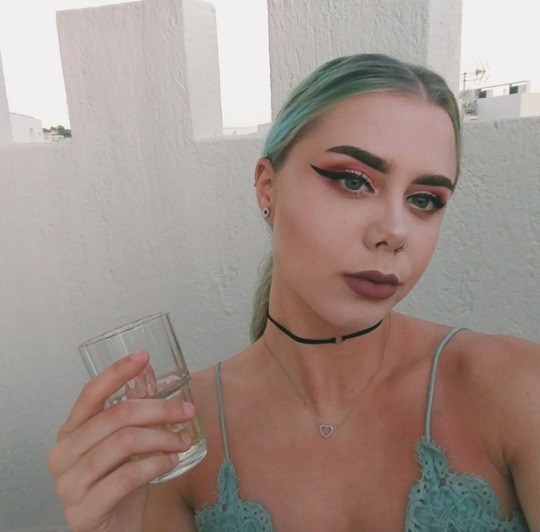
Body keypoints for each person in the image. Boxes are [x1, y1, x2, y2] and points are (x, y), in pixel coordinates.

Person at [47, 53, 539, 531]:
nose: (394, 231)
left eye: (425, 200)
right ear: (268, 188)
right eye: (354, 181)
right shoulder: (178, 434)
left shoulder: (513, 386)